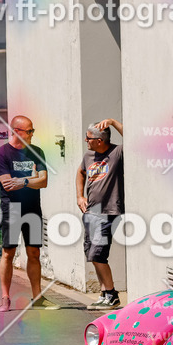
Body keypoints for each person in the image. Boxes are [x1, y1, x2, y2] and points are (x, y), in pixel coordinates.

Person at [0, 115, 58, 312]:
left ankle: (37, 296)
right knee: (8, 253)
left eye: (33, 131)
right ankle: (5, 297)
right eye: (29, 131)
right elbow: (7, 185)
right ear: (17, 132)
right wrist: (32, 178)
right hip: (11, 209)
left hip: (32, 208)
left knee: (34, 253)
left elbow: (44, 181)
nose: (32, 134)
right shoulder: (1, 154)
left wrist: (23, 181)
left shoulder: (37, 152)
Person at [76, 118, 124, 310]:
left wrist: (112, 122)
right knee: (92, 254)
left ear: (100, 140)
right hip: (92, 211)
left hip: (108, 211)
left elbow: (133, 138)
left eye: (88, 138)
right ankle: (104, 293)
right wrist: (80, 196)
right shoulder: (89, 156)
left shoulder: (116, 152)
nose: (86, 141)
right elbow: (80, 173)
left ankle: (112, 295)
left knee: (98, 254)